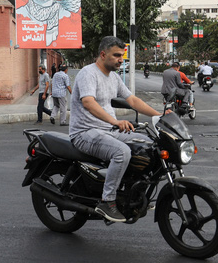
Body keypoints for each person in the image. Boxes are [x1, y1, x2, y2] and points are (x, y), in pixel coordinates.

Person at [69, 36, 163, 222]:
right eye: (117, 55)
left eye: (123, 55)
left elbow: (133, 100)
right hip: (84, 132)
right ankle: (107, 201)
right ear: (103, 55)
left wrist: (159, 116)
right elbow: (88, 102)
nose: (121, 59)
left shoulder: (114, 77)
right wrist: (115, 121)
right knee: (122, 153)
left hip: (107, 131)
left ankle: (135, 194)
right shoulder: (88, 73)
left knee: (151, 145)